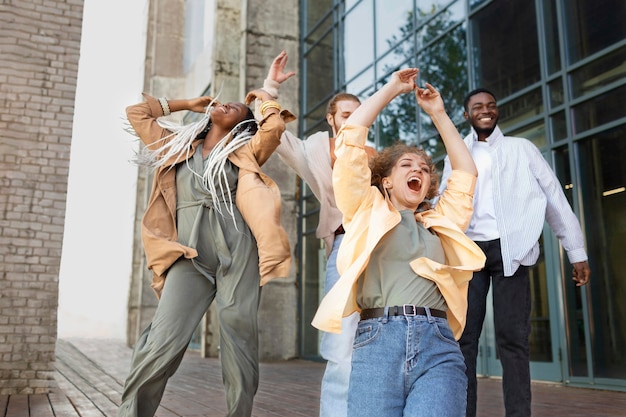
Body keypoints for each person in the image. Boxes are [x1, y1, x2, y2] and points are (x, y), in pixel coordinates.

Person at [117, 64, 295, 417]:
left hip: (238, 248)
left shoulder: (246, 151)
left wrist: (264, 95)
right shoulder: (176, 145)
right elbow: (135, 112)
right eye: (224, 102)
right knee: (163, 340)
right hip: (188, 254)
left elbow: (273, 127)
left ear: (243, 124)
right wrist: (186, 103)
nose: (227, 104)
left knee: (238, 335)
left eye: (236, 108)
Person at [311, 68, 486, 417]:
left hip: (438, 344)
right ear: (387, 181)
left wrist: (438, 113)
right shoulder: (364, 209)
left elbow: (466, 173)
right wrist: (391, 89)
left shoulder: (440, 221)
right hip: (378, 342)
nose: (418, 170)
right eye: (407, 165)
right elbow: (350, 141)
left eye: (424, 167)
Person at [439, 88, 591, 417]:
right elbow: (444, 203)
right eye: (478, 106)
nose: (486, 110)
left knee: (514, 341)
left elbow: (554, 198)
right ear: (466, 115)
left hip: (513, 251)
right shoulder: (457, 152)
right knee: (464, 341)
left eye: (491, 105)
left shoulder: (522, 149)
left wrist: (576, 250)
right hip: (469, 253)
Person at [257, 51, 376, 417]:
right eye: (345, 115)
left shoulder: (377, 155)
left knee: (376, 339)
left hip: (378, 249)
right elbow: (274, 134)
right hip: (343, 247)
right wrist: (271, 87)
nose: (353, 120)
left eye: (359, 114)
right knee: (340, 342)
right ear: (331, 119)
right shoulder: (312, 149)